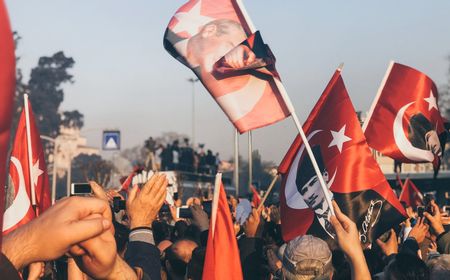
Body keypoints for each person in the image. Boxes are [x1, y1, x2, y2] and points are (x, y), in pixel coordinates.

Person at [296, 145, 334, 237]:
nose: (310, 194)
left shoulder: (350, 203)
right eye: (304, 191)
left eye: (313, 183)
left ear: (325, 175)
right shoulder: (306, 229)